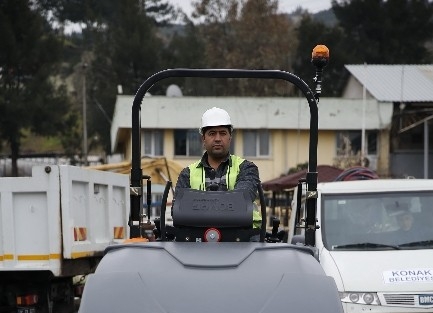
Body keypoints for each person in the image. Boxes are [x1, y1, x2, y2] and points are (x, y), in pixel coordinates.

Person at [174, 107, 262, 228]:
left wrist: (200, 205)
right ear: (203, 139)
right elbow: (179, 210)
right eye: (212, 133)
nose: (217, 139)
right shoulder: (187, 173)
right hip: (197, 241)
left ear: (230, 137)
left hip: (243, 239)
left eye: (223, 133)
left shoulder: (247, 168)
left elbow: (241, 202)